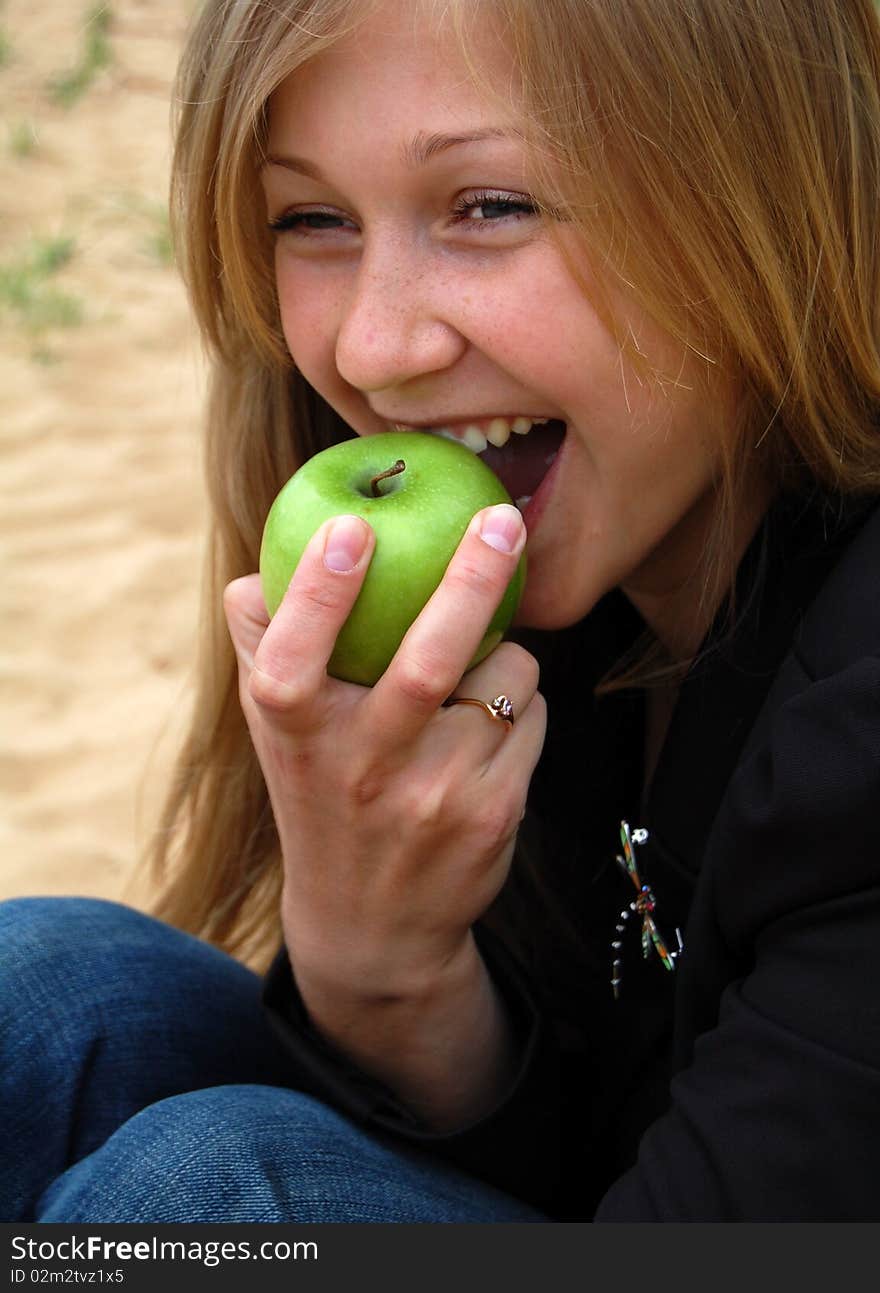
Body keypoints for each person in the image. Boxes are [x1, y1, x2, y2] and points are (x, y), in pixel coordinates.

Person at [3, 0, 880, 1223]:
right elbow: (581, 1163)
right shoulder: (555, 613)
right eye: (310, 219)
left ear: (765, 193)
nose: (373, 348)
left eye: (490, 206)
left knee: (201, 1196)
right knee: (39, 990)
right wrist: (385, 966)